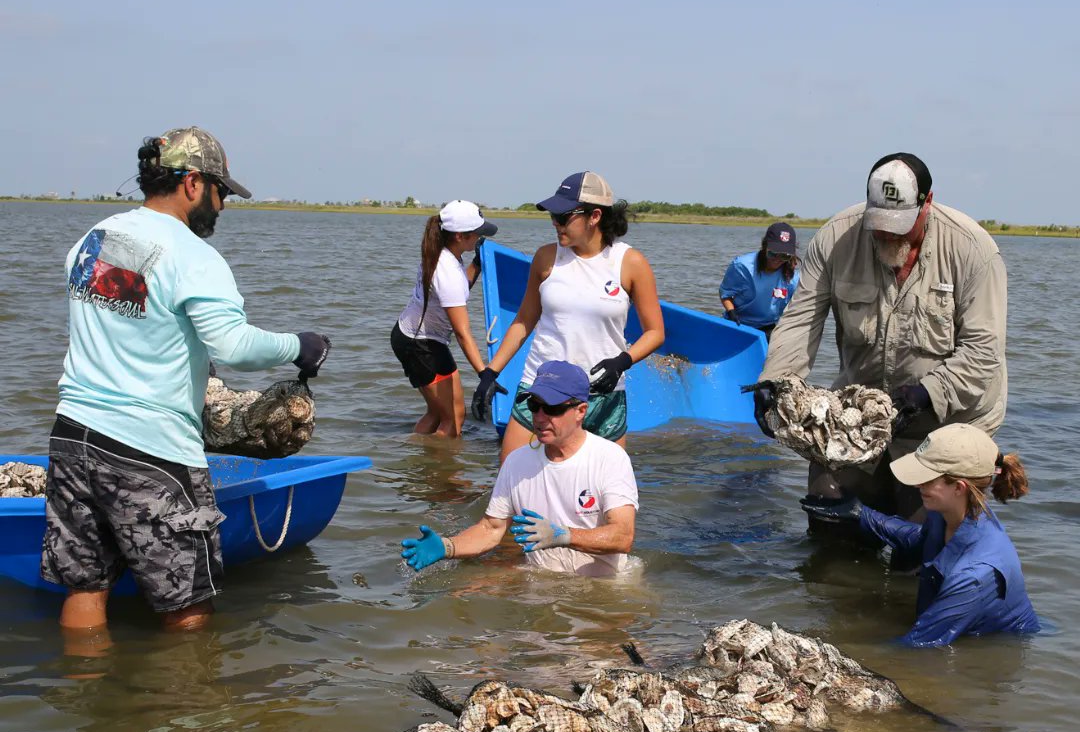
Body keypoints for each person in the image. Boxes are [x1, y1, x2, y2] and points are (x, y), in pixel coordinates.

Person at [41, 126, 332, 632]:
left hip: (73, 438)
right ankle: (190, 709)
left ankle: (81, 698)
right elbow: (233, 345)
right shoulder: (195, 257)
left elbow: (138, 318)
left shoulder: (94, 239)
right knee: (187, 605)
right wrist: (299, 345)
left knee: (85, 588)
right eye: (221, 193)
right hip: (149, 452)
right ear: (193, 184)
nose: (221, 207)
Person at [755, 153, 1007, 520]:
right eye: (879, 223)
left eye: (900, 223)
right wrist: (775, 382)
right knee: (829, 514)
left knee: (927, 549)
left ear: (927, 203)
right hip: (860, 418)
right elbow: (800, 321)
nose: (888, 233)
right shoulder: (836, 237)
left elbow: (983, 352)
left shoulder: (973, 250)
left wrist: (927, 393)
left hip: (947, 423)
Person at [471, 171, 664, 460]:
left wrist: (621, 362)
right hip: (540, 386)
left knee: (605, 489)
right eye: (552, 215)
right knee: (510, 477)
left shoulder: (629, 263)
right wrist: (490, 372)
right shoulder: (546, 258)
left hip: (601, 391)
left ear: (594, 216)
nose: (554, 223)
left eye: (563, 217)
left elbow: (655, 332)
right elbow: (524, 320)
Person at [801, 425, 1039, 647]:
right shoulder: (947, 514)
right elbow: (919, 540)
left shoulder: (975, 575)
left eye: (927, 478)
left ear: (959, 488)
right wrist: (861, 513)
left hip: (994, 649)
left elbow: (920, 645)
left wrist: (837, 648)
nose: (917, 484)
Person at [404, 361, 638, 577]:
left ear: (581, 411)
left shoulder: (609, 458)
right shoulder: (517, 462)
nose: (540, 417)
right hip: (540, 578)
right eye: (534, 406)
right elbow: (491, 529)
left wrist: (564, 536)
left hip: (603, 585)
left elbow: (623, 536)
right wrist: (448, 546)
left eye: (552, 409)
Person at [391, 200, 498, 437]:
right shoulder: (447, 271)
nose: (480, 237)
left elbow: (458, 292)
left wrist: (477, 264)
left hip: (415, 338)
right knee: (452, 420)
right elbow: (462, 333)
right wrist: (485, 374)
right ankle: (437, 471)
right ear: (460, 236)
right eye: (477, 233)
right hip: (421, 344)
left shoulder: (445, 253)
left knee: (441, 414)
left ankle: (420, 459)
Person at [718, 221, 800, 338]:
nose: (777, 259)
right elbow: (725, 294)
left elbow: (794, 310)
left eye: (784, 256)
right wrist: (732, 313)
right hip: (738, 324)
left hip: (769, 328)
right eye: (773, 253)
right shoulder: (742, 266)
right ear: (764, 246)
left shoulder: (794, 278)